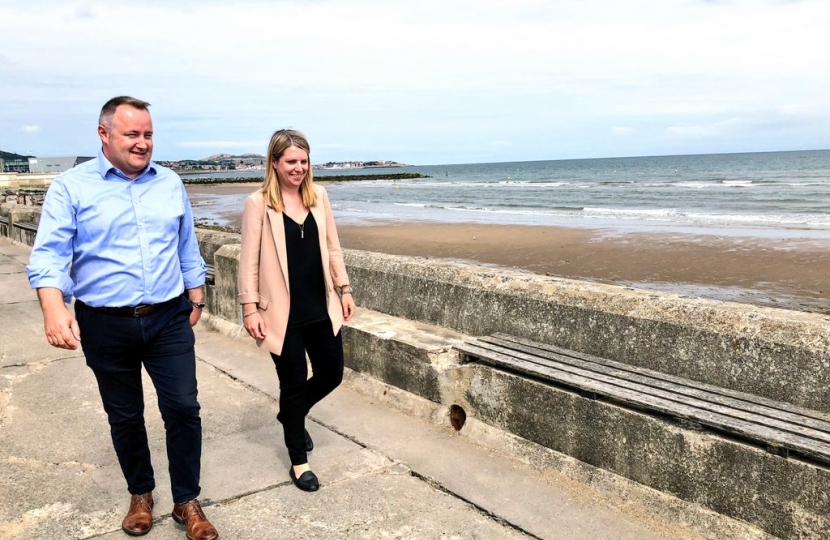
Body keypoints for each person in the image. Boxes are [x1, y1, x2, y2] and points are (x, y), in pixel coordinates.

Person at [26, 96, 219, 540]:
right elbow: (50, 256)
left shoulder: (169, 183)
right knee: (125, 414)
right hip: (104, 321)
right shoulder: (71, 187)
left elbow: (186, 243)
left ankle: (186, 500)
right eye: (132, 134)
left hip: (169, 316)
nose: (142, 143)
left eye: (148, 134)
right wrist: (54, 308)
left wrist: (197, 296)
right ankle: (141, 493)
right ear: (104, 135)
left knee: (183, 408)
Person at [238, 129, 356, 492]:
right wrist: (249, 308)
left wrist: (344, 287)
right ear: (274, 162)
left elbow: (333, 247)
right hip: (281, 315)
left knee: (331, 374)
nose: (299, 168)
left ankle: (290, 414)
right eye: (291, 161)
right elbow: (249, 261)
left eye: (304, 161)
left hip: (321, 306)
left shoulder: (319, 196)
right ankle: (298, 462)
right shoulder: (258, 203)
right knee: (291, 384)